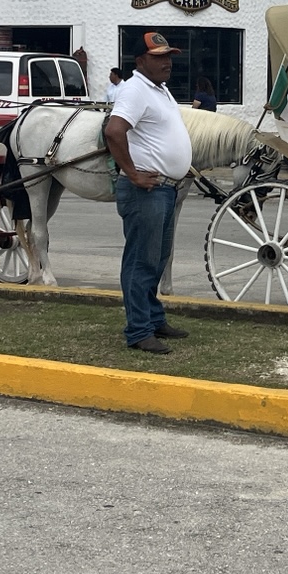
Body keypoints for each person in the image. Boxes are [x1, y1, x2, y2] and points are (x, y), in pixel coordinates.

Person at [105, 32, 192, 355]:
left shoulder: (160, 89)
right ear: (140, 61)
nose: (167, 62)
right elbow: (114, 131)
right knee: (141, 261)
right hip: (147, 191)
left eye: (168, 56)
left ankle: (154, 320)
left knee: (156, 259)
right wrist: (132, 173)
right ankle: (139, 330)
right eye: (158, 57)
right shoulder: (134, 90)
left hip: (165, 189)